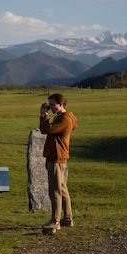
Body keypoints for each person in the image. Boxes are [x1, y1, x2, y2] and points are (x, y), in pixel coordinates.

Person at [39, 93, 79, 234]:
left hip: (57, 158)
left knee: (55, 190)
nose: (51, 107)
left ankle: (55, 221)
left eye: (53, 104)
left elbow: (46, 130)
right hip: (57, 157)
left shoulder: (64, 119)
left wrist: (44, 115)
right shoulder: (62, 117)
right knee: (62, 189)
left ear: (61, 104)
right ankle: (67, 218)